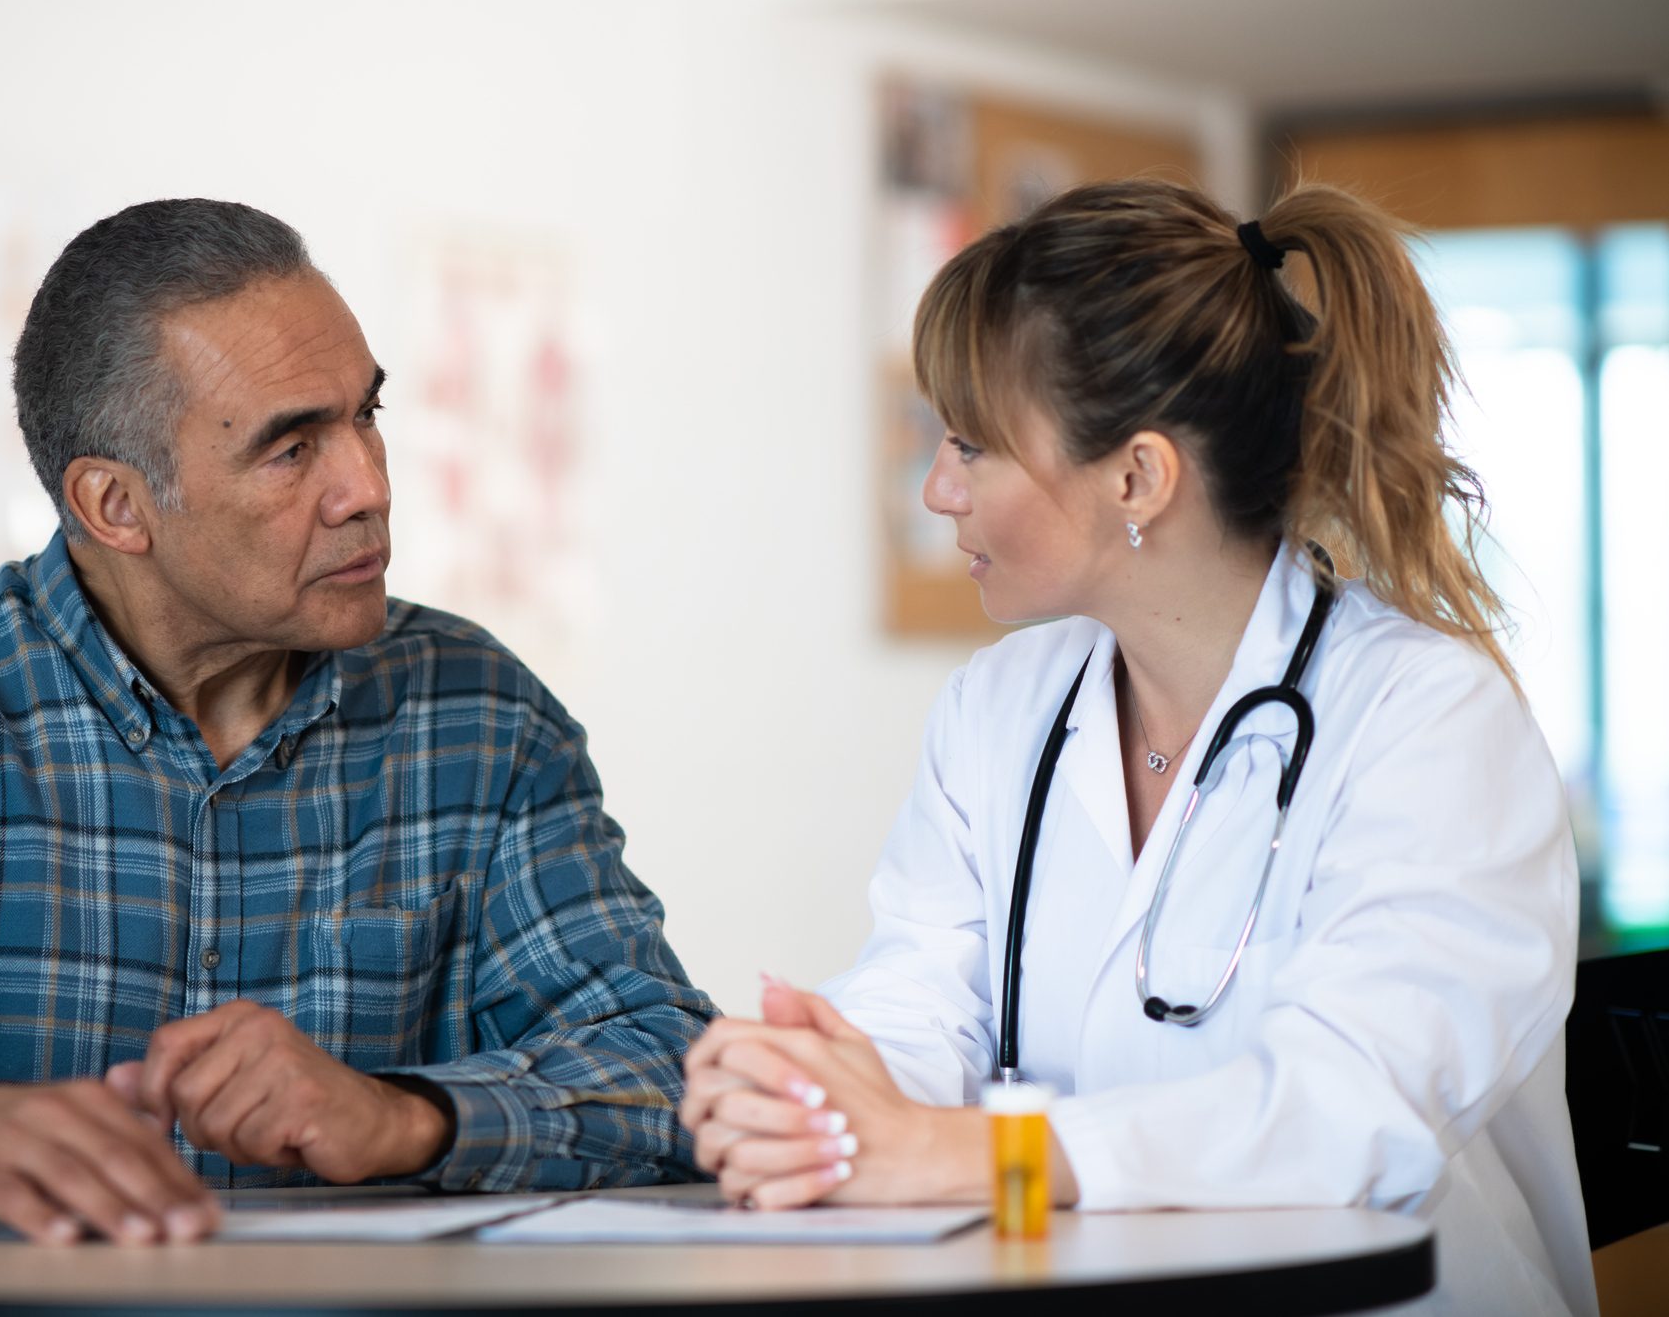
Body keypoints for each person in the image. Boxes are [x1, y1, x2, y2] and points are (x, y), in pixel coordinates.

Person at [0, 198, 714, 1245]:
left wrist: (405, 1114)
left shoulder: (479, 715)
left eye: (367, 415)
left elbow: (670, 1065)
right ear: (115, 505)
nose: (369, 486)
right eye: (293, 448)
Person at [680, 179, 1594, 1316]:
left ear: (1138, 477)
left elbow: (1347, 1107)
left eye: (972, 446)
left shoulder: (1427, 722)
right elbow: (924, 1001)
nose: (938, 489)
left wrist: (962, 1155)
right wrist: (817, 1091)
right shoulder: (997, 710)